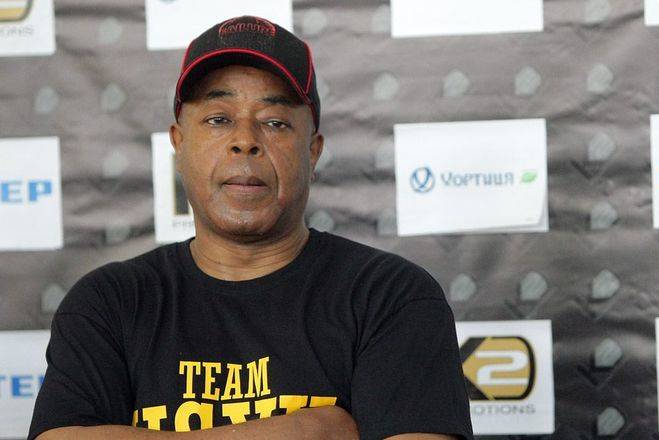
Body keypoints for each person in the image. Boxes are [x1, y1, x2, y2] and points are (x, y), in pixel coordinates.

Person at [28, 15, 473, 440]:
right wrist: (303, 432)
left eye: (275, 122)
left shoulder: (390, 296)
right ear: (179, 144)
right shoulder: (109, 303)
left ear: (313, 151)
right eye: (218, 119)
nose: (245, 140)